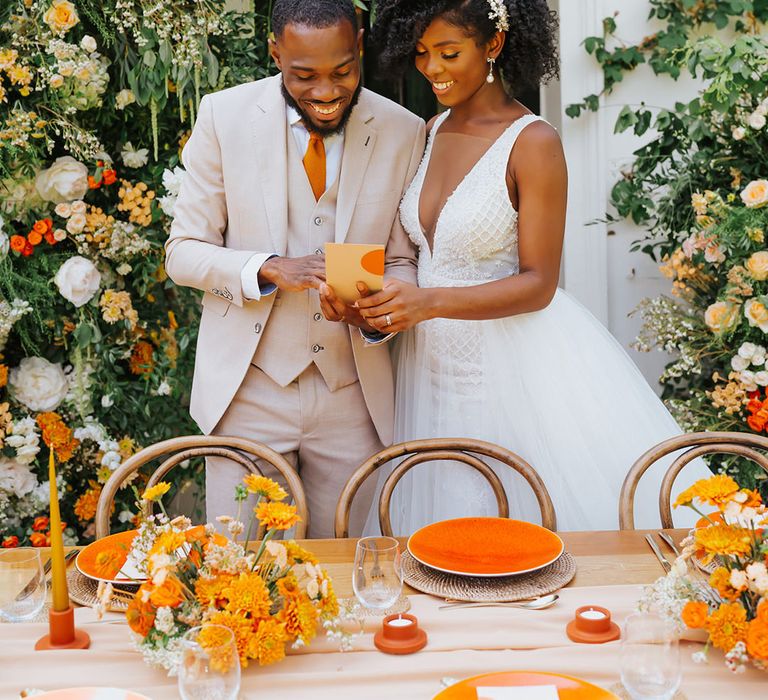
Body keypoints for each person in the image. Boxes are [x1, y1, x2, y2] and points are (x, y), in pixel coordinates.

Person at [355, 0, 711, 533]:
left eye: (449, 53)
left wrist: (428, 303)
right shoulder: (431, 130)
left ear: (493, 45)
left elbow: (539, 284)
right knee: (439, 520)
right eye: (423, 53)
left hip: (510, 366)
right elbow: (420, 253)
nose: (431, 69)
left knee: (515, 516)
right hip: (428, 364)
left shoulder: (533, 142)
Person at [165, 0, 425, 538]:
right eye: (304, 75)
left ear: (359, 50)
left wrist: (378, 310)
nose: (327, 92)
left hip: (353, 393)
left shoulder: (403, 129)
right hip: (250, 389)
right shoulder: (225, 115)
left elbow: (402, 256)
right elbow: (183, 251)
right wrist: (269, 268)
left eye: (343, 72)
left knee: (349, 566)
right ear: (275, 53)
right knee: (240, 571)